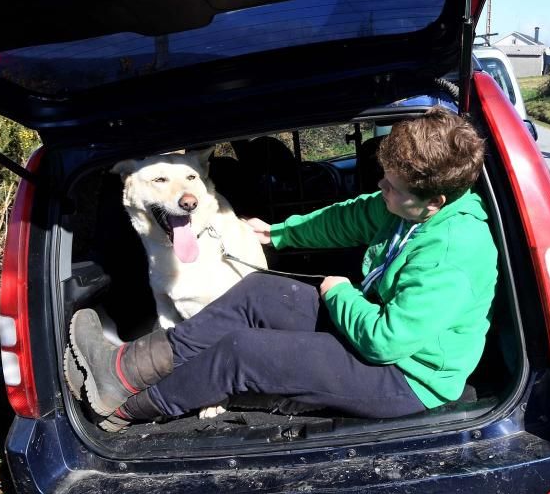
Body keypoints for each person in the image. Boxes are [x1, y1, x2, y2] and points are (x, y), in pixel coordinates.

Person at [67, 107, 500, 431]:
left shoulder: (452, 256)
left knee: (243, 352)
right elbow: (349, 216)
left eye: (390, 186)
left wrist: (340, 294)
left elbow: (386, 342)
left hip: (404, 377)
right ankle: (120, 373)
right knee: (257, 290)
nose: (380, 189)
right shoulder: (409, 209)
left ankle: (123, 412)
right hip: (376, 328)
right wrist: (279, 234)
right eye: (383, 178)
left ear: (434, 202)